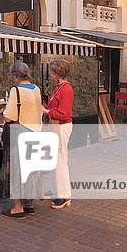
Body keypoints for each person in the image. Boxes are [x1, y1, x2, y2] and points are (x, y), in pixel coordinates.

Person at [0, 61, 43, 218]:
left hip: (20, 134)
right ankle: (29, 203)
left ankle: (17, 207)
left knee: (16, 170)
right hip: (35, 132)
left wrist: (1, 113)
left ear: (15, 75)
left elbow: (10, 116)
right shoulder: (36, 89)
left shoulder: (15, 90)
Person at [44, 59, 74, 209]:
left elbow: (63, 113)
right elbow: (51, 105)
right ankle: (56, 190)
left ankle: (64, 195)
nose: (50, 74)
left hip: (62, 127)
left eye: (52, 72)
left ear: (57, 73)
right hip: (56, 126)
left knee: (60, 161)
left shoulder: (67, 89)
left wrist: (47, 111)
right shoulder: (58, 88)